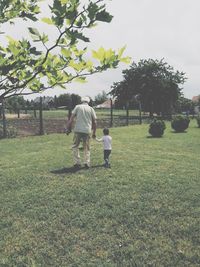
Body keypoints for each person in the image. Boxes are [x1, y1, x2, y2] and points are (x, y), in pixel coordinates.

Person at [66, 96, 97, 169]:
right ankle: (86, 162)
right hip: (87, 130)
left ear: (81, 101)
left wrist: (68, 129)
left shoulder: (77, 107)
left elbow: (71, 119)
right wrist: (94, 132)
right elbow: (95, 122)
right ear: (88, 102)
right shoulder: (91, 109)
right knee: (87, 147)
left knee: (75, 146)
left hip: (78, 130)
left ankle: (77, 162)